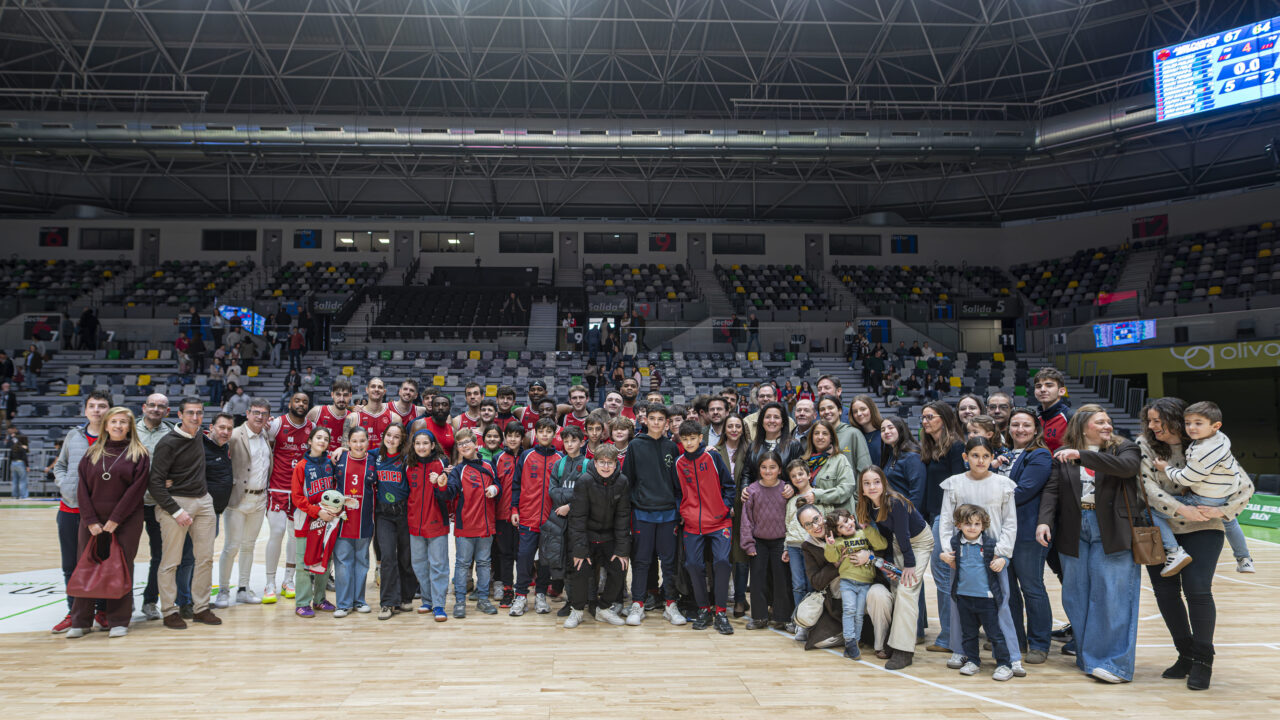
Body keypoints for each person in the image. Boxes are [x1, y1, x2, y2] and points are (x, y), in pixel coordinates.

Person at [1139, 397, 1254, 691]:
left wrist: (1223, 510)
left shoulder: (1210, 445)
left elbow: (1245, 486)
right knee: (1165, 592)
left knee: (1198, 590)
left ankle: (1204, 660)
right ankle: (1185, 654)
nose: (1152, 426)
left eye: (1157, 420)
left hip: (1204, 526)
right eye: (1149, 421)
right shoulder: (1145, 445)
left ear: (1175, 419)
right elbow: (1146, 488)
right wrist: (1181, 509)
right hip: (1162, 527)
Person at [1035, 404, 1143, 683]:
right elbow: (1052, 490)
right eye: (1100, 422)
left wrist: (1081, 456)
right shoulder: (1063, 455)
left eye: (1109, 421)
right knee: (1076, 596)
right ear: (1083, 426)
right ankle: (1089, 659)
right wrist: (1044, 520)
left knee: (1113, 597)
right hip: (1074, 529)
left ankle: (1116, 664)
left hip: (1113, 530)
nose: (1108, 426)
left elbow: (1127, 469)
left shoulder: (1125, 449)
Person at [938, 437, 1023, 676]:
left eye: (986, 456)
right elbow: (946, 520)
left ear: (992, 457)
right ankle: (961, 649)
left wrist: (1004, 553)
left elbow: (1010, 522)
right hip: (962, 554)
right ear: (966, 457)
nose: (980, 460)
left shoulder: (1003, 484)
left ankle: (1011, 656)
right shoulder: (954, 484)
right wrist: (947, 550)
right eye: (975, 455)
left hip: (992, 556)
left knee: (1001, 604)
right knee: (959, 603)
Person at [62, 406, 150, 638]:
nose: (118, 426)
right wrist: (90, 520)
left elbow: (135, 491)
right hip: (91, 521)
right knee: (86, 565)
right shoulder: (92, 452)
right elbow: (82, 488)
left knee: (120, 567)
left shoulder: (139, 453)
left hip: (126, 521)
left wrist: (115, 520)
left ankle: (118, 620)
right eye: (114, 422)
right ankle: (80, 621)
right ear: (106, 425)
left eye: (123, 422)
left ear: (130, 426)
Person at [1149, 401, 1253, 576]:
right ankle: (1244, 559)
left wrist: (1166, 468)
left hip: (1202, 500)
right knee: (1230, 521)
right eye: (1188, 423)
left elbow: (1186, 477)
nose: (1191, 428)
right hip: (1225, 496)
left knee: (1151, 510)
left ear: (1215, 426)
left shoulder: (1203, 452)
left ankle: (1174, 551)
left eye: (1198, 423)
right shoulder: (1220, 438)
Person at [148, 397, 220, 630]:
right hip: (176, 504)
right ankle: (169, 611)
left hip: (203, 501)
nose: (195, 417)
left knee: (205, 558)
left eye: (199, 413)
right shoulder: (168, 443)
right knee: (171, 561)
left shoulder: (200, 434)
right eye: (190, 413)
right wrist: (176, 511)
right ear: (179, 415)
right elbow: (155, 483)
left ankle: (201, 608)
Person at [856, 465, 932, 669]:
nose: (872, 487)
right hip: (899, 544)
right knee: (896, 589)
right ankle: (893, 641)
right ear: (861, 488)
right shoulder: (866, 506)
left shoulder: (895, 502)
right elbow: (888, 539)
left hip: (919, 542)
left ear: (884, 483)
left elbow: (904, 534)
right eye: (867, 483)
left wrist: (909, 565)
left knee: (907, 590)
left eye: (876, 482)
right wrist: (888, 565)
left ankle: (904, 651)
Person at [51, 390, 112, 634]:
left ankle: (102, 609)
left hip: (100, 514)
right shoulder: (73, 435)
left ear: (110, 410)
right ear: (85, 410)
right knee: (71, 564)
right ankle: (74, 612)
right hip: (70, 509)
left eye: (102, 405)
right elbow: (61, 464)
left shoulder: (116, 436)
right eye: (92, 405)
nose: (97, 410)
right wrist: (64, 484)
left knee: (101, 563)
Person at [621, 406, 685, 626]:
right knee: (641, 561)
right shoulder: (635, 446)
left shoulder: (672, 448)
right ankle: (638, 603)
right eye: (653, 419)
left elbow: (678, 484)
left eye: (661, 419)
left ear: (667, 422)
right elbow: (627, 481)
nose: (656, 423)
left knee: (668, 562)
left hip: (668, 514)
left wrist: (678, 510)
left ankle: (670, 604)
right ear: (645, 420)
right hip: (642, 513)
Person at [1002, 408, 1054, 665]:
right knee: (1008, 591)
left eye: (1026, 425)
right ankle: (1017, 641)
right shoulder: (1004, 455)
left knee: (1032, 588)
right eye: (1015, 425)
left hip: (1026, 531)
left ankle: (1039, 644)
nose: (1020, 429)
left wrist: (986, 497)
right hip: (1002, 532)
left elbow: (1024, 491)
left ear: (1036, 429)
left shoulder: (1041, 455)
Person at [674, 419, 736, 634]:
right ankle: (703, 609)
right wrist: (682, 512)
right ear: (680, 440)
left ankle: (720, 612)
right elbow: (677, 492)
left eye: (693, 438)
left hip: (719, 521)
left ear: (701, 438)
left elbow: (729, 485)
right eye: (685, 439)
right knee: (692, 564)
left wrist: (725, 507)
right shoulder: (679, 462)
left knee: (721, 562)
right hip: (692, 523)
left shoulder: (712, 455)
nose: (689, 443)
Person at [563, 443, 631, 628]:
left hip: (609, 537)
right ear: (595, 462)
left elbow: (623, 518)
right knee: (579, 568)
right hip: (587, 535)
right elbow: (577, 519)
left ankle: (604, 608)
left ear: (616, 464)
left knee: (620, 565)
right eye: (602, 462)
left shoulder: (622, 482)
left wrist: (622, 549)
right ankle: (577, 611)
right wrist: (580, 550)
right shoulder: (584, 481)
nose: (606, 467)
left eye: (610, 463)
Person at [945, 504, 1015, 681]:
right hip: (963, 597)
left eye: (977, 524)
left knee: (995, 634)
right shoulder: (955, 543)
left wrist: (1003, 562)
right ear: (959, 525)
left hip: (986, 599)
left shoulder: (990, 545)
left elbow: (1004, 557)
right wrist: (942, 556)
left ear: (983, 526)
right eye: (967, 524)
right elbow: (947, 556)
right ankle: (973, 661)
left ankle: (1004, 664)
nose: (972, 528)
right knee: (968, 633)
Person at [216, 397, 273, 608]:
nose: (260, 416)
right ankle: (223, 590)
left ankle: (243, 589)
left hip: (260, 499)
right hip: (238, 499)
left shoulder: (265, 435)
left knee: (249, 546)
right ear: (247, 413)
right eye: (256, 412)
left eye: (264, 413)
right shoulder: (235, 435)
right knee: (231, 547)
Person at [919, 400, 966, 653]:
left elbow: (958, 487)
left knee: (944, 574)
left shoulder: (957, 446)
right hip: (934, 515)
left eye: (930, 417)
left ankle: (950, 636)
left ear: (945, 418)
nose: (925, 421)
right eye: (923, 418)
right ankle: (950, 634)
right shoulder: (932, 447)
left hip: (946, 518)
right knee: (942, 576)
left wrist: (951, 523)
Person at [136, 393, 188, 621]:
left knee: (159, 556)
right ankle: (117, 601)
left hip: (160, 504)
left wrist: (174, 479)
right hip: (131, 504)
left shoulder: (171, 433)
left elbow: (181, 465)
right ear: (144, 407)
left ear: (168, 411)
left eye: (161, 406)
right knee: (123, 555)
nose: (156, 409)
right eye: (152, 405)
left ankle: (150, 601)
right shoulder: (129, 430)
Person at [440, 428, 500, 618]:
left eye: (467, 442)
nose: (464, 446)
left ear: (476, 444)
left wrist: (494, 488)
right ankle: (459, 602)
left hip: (487, 525)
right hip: (465, 526)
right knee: (462, 564)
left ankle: (483, 599)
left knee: (484, 564)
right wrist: (442, 483)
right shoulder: (458, 470)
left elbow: (498, 484)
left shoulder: (489, 466)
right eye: (460, 444)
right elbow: (449, 493)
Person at [509, 418, 565, 616]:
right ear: (535, 433)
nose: (545, 435)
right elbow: (516, 485)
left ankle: (541, 593)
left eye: (549, 431)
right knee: (524, 557)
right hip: (527, 516)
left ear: (554, 434)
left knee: (546, 560)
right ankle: (521, 595)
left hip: (551, 520)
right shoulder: (526, 455)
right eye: (541, 431)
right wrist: (514, 509)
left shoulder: (560, 458)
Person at [823, 508, 889, 660]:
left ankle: (853, 644)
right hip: (847, 582)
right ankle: (849, 641)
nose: (846, 525)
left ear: (852, 518)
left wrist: (867, 528)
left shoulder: (864, 534)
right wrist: (831, 545)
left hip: (865, 583)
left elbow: (881, 545)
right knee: (849, 610)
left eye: (846, 521)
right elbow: (831, 558)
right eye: (841, 526)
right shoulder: (839, 542)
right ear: (838, 532)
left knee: (859, 615)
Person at [290, 427, 337, 618]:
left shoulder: (330, 463)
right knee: (303, 563)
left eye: (326, 438)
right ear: (309, 441)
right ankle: (302, 602)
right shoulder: (301, 466)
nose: (322, 441)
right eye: (318, 437)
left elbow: (335, 491)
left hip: (326, 522)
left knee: (324, 561)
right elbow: (297, 498)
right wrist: (317, 511)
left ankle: (319, 599)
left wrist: (332, 511)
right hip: (306, 521)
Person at [741, 450, 791, 632]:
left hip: (780, 541)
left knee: (781, 579)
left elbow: (791, 517)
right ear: (758, 469)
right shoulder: (752, 490)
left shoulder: (786, 490)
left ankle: (782, 616)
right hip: (758, 542)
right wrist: (748, 543)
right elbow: (746, 520)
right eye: (764, 467)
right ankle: (759, 617)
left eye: (772, 467)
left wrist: (788, 545)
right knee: (757, 579)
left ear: (779, 469)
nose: (768, 471)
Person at [330, 427, 377, 617]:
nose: (359, 445)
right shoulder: (337, 459)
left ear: (368, 442)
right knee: (342, 563)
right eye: (355, 441)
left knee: (362, 562)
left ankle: (359, 600)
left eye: (362, 440)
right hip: (342, 521)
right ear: (347, 443)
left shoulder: (374, 460)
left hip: (365, 521)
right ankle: (343, 604)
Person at [405, 429, 451, 621]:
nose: (421, 447)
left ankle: (439, 605)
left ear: (432, 445)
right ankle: (427, 600)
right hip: (415, 523)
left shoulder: (442, 464)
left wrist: (439, 483)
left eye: (425, 443)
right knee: (419, 565)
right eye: (418, 443)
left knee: (438, 565)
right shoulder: (408, 465)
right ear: (413, 446)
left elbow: (448, 493)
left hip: (436, 522)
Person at [796, 503, 854, 650]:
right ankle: (842, 632)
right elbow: (816, 582)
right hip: (836, 600)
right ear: (804, 528)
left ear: (822, 515)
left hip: (860, 586)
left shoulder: (839, 523)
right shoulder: (808, 546)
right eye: (808, 525)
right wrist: (835, 564)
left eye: (816, 519)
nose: (815, 526)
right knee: (817, 642)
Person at [547, 426, 590, 618]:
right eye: (566, 441)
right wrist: (568, 500)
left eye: (574, 441)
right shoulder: (559, 464)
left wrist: (570, 506)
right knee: (563, 562)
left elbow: (588, 493)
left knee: (580, 562)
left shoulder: (589, 464)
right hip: (560, 520)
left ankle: (584, 600)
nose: (570, 444)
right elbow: (552, 490)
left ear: (582, 442)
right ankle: (569, 601)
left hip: (581, 522)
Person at [716, 414, 752, 616]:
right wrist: (724, 504)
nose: (734, 429)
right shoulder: (715, 451)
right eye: (730, 426)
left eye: (738, 426)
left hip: (744, 508)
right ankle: (718, 596)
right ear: (725, 429)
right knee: (721, 554)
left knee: (741, 554)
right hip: (720, 508)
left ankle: (740, 599)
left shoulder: (750, 450)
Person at [817, 394, 872, 476]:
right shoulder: (817, 437)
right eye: (822, 409)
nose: (827, 412)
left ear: (840, 411)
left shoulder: (853, 433)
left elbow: (864, 468)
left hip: (849, 487)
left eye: (830, 408)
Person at [880, 416, 925, 510]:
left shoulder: (912, 456)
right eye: (882, 430)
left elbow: (917, 492)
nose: (886, 432)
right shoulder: (890, 455)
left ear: (900, 429)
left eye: (891, 427)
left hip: (909, 515)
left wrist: (911, 516)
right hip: (896, 513)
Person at [203, 413, 235, 522]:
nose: (226, 432)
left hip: (216, 509)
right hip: (200, 510)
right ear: (211, 428)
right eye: (222, 427)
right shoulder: (198, 446)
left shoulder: (226, 446)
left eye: (229, 429)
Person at [347, 377, 393, 451]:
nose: (376, 389)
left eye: (380, 387)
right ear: (367, 390)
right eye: (373, 386)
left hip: (384, 461)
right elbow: (345, 447)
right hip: (361, 461)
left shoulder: (394, 418)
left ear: (384, 392)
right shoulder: (353, 417)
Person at [306, 377, 354, 449]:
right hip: (318, 459)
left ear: (350, 396)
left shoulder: (353, 417)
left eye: (345, 395)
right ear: (332, 395)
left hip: (340, 459)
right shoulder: (316, 412)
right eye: (338, 394)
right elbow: (303, 436)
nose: (341, 399)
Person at [1033, 368, 1072, 452]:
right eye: (1038, 386)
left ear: (1061, 391)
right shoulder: (1035, 419)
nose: (1042, 390)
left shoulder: (1071, 418)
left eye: (1049, 385)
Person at [849, 395, 884, 466]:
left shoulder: (884, 433)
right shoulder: (854, 436)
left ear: (871, 409)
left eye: (863, 409)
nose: (859, 414)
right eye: (855, 411)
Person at [5, 425, 28, 499]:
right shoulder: (22, 448)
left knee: (14, 480)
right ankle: (23, 496)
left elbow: (10, 457)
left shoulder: (13, 447)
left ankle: (15, 495)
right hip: (20, 463)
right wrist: (27, 466)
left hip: (13, 463)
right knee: (23, 480)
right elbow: (25, 457)